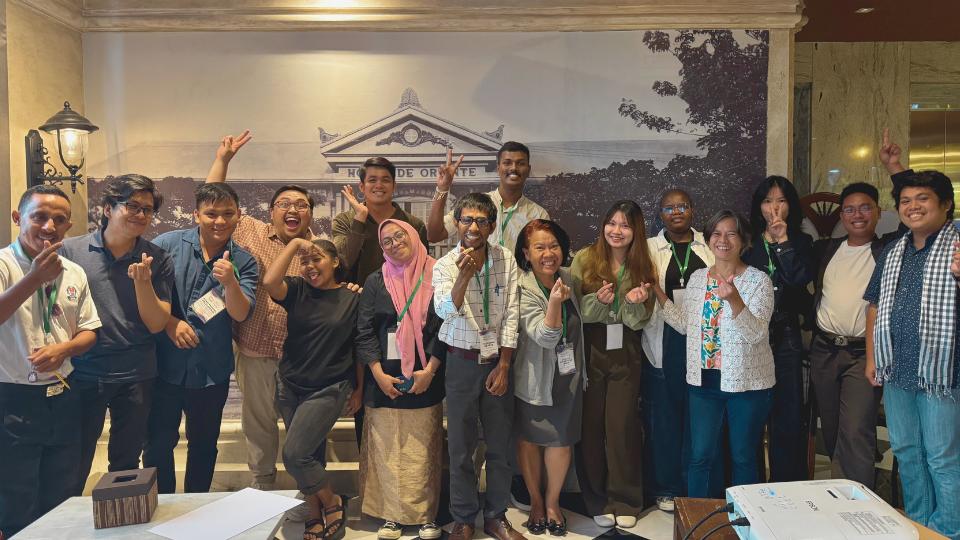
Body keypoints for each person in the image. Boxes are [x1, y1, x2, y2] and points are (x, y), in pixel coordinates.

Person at [206, 131, 364, 491]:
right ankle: (263, 488)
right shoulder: (249, 231)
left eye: (301, 205)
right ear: (272, 210)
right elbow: (212, 200)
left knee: (306, 434)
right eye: (284, 204)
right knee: (259, 427)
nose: (292, 210)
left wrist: (349, 286)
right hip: (257, 351)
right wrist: (224, 160)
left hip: (304, 361)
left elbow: (338, 284)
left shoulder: (317, 248)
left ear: (310, 212)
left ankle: (309, 498)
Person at [60, 174, 174, 495]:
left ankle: (120, 526)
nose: (140, 215)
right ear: (108, 208)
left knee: (126, 466)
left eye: (147, 210)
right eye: (132, 206)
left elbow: (155, 324)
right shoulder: (71, 251)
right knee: (75, 460)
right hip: (84, 373)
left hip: (136, 375)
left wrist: (143, 283)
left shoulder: (157, 258)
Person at [143, 183, 259, 494]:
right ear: (197, 215)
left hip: (210, 369)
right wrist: (170, 323)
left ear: (238, 217)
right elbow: (140, 293)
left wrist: (231, 282)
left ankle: (195, 511)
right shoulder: (166, 245)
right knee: (156, 445)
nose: (219, 221)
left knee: (204, 446)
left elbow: (239, 313)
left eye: (227, 214)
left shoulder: (244, 261)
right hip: (163, 366)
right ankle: (162, 510)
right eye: (211, 214)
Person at [0, 186, 101, 537]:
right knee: (16, 494)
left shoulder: (73, 271)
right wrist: (33, 279)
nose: (49, 226)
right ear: (18, 218)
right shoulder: (3, 264)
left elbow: (90, 330)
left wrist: (65, 349)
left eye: (59, 220)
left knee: (62, 490)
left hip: (62, 393)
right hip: (12, 397)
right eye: (39, 216)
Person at [864, 170, 960, 539]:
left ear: (945, 205)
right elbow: (873, 306)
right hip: (897, 370)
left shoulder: (956, 245)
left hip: (943, 376)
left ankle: (948, 529)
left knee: (942, 457)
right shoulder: (894, 250)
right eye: (905, 200)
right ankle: (920, 523)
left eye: (923, 198)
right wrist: (872, 359)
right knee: (907, 451)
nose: (913, 207)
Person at [654, 210, 775, 497]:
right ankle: (697, 521)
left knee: (743, 457)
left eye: (731, 233)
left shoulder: (759, 281)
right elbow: (685, 325)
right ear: (708, 240)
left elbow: (756, 334)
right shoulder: (697, 279)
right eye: (716, 234)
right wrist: (658, 293)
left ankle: (745, 521)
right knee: (699, 457)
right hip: (703, 384)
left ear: (743, 241)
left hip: (746, 385)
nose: (723, 240)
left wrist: (734, 299)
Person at [432, 193, 524, 540]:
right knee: (460, 448)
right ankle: (464, 518)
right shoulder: (443, 265)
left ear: (491, 225)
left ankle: (497, 516)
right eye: (467, 219)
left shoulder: (506, 259)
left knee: (500, 445)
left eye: (481, 220)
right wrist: (463, 278)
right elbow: (444, 311)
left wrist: (503, 365)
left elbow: (511, 315)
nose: (473, 226)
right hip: (460, 363)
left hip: (496, 362)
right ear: (457, 223)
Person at [263, 238, 361, 540]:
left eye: (316, 259)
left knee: (295, 454)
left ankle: (332, 501)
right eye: (305, 261)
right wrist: (295, 244)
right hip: (290, 385)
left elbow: (360, 347)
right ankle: (314, 513)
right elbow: (269, 282)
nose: (309, 266)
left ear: (334, 262)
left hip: (329, 387)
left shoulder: (352, 297)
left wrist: (358, 389)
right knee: (311, 454)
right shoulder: (296, 289)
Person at [356, 219, 445, 540]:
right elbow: (364, 331)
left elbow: (445, 326)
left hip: (425, 377)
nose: (394, 244)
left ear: (413, 236)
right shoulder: (375, 280)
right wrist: (377, 374)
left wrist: (430, 370)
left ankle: (426, 516)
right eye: (386, 241)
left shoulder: (438, 274)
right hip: (384, 381)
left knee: (422, 451)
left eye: (399, 236)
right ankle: (391, 515)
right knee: (387, 450)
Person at [570, 200, 654, 528]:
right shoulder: (585, 258)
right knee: (589, 428)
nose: (617, 231)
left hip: (626, 353)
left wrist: (633, 303)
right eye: (612, 224)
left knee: (622, 428)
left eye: (625, 225)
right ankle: (596, 499)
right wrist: (596, 302)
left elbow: (639, 321)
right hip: (591, 351)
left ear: (636, 231)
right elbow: (575, 311)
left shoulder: (643, 263)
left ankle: (626, 499)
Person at [641, 189, 714, 511]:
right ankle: (666, 486)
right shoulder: (648, 248)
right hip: (665, 340)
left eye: (682, 206)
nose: (676, 212)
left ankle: (694, 483)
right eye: (669, 208)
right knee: (666, 418)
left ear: (693, 210)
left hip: (703, 341)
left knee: (699, 417)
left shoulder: (710, 245)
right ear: (660, 215)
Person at [513, 220, 585, 537]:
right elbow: (544, 336)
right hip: (533, 377)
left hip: (567, 376)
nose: (548, 253)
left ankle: (554, 502)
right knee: (530, 439)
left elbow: (586, 319)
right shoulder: (522, 287)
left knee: (561, 440)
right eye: (539, 247)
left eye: (553, 245)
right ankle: (536, 501)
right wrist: (555, 302)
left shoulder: (571, 278)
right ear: (526, 254)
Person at [809, 182, 883, 489]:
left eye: (865, 207)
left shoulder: (888, 249)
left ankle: (859, 504)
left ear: (878, 212)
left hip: (862, 354)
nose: (857, 215)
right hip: (825, 349)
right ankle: (842, 491)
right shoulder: (827, 248)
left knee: (855, 428)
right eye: (850, 209)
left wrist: (894, 170)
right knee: (834, 427)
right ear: (841, 215)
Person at [743, 176, 814, 482]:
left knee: (788, 415)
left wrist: (783, 242)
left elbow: (799, 280)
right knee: (752, 416)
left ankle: (787, 488)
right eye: (767, 200)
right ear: (758, 206)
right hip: (751, 336)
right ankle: (753, 487)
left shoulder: (801, 242)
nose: (774, 207)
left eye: (781, 201)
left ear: (790, 206)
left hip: (785, 336)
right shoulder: (746, 243)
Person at [428, 142, 549, 252]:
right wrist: (442, 188)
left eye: (520, 163)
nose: (513, 168)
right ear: (498, 168)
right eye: (507, 163)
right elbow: (434, 235)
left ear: (528, 170)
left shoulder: (538, 215)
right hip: (477, 276)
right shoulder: (475, 205)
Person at [333, 157, 429, 285]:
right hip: (356, 299)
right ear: (362, 186)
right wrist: (360, 218)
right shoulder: (344, 221)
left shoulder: (414, 225)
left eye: (385, 180)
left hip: (402, 301)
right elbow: (342, 264)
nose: (379, 185)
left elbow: (422, 271)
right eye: (372, 180)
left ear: (394, 186)